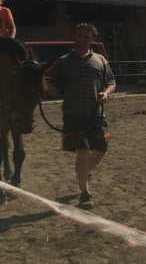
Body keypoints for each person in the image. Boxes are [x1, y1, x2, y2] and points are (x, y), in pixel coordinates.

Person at [46, 23, 116, 210]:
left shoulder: (100, 60)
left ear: (92, 40)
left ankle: (84, 172)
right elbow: (56, 88)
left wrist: (106, 94)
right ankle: (85, 194)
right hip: (73, 115)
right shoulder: (63, 62)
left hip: (96, 114)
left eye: (87, 36)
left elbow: (111, 82)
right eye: (80, 35)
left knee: (101, 151)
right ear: (74, 37)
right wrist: (42, 84)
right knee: (83, 152)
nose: (83, 39)